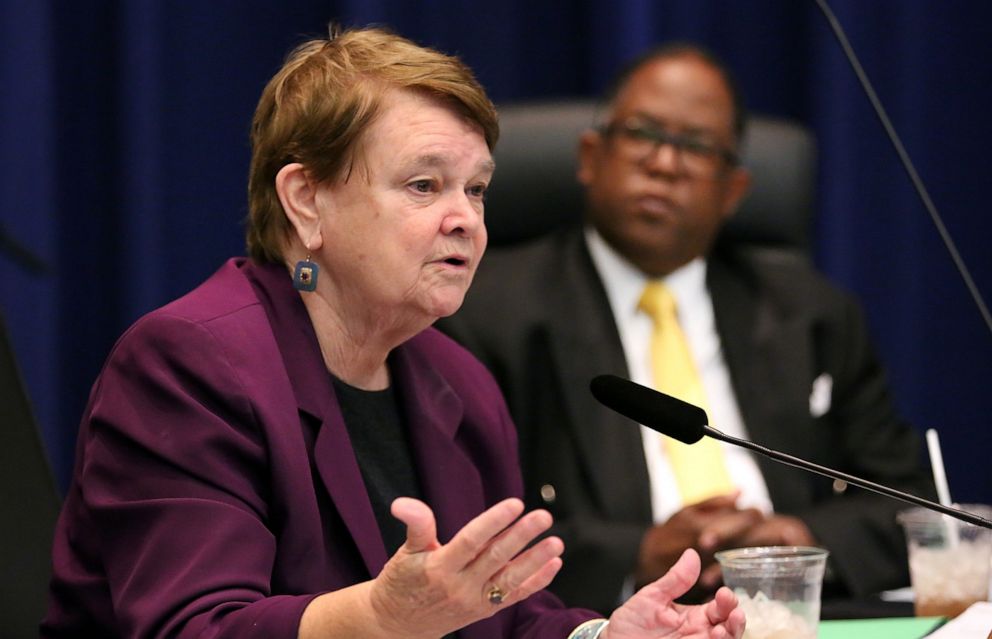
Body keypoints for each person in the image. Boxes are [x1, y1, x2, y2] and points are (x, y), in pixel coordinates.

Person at [41, 28, 746, 639]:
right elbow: (194, 626)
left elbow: (498, 618)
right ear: (306, 199)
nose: (465, 219)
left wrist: (601, 632)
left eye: (475, 189)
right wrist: (380, 617)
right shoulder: (189, 365)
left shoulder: (460, 383)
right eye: (423, 185)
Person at [439, 43, 935, 614]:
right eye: (643, 134)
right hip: (604, 620)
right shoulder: (485, 313)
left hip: (792, 617)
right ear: (590, 156)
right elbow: (469, 519)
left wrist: (795, 541)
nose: (665, 164)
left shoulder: (812, 314)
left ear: (734, 191)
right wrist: (637, 555)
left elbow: (912, 506)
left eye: (696, 146)